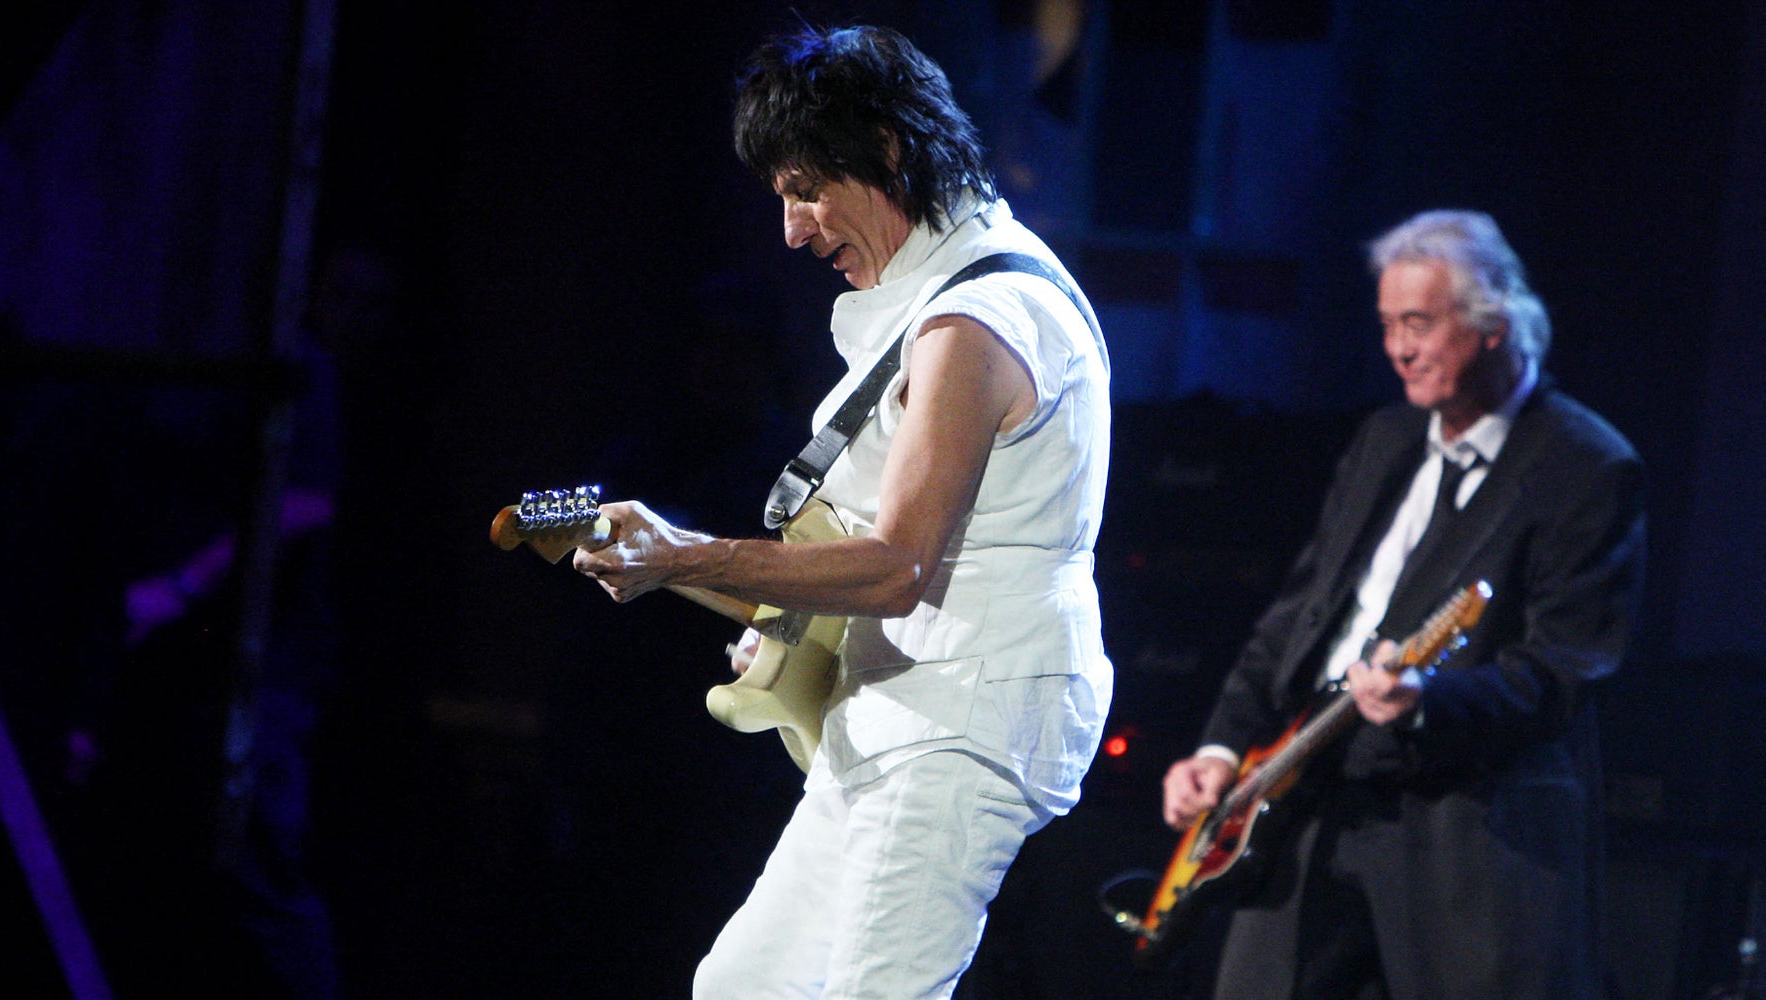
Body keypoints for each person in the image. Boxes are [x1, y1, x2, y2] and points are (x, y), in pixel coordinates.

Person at [570, 23, 1112, 998]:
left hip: (962, 717)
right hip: (896, 711)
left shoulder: (975, 322)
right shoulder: (945, 296)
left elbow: (896, 566)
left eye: (805, 190)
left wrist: (682, 555)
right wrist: (791, 621)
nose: (792, 230)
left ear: (887, 149)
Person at [1159, 209, 1645, 999]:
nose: (1398, 348)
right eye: (1387, 325)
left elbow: (1562, 671)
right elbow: (1298, 618)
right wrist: (1221, 747)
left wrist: (1427, 698)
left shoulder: (1586, 467)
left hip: (1464, 828)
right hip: (1310, 797)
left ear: (1493, 324)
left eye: (1418, 323)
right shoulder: (1384, 439)